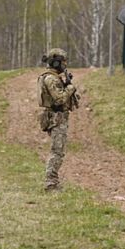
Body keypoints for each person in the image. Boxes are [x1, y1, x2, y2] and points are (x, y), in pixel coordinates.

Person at [37, 48, 79, 192]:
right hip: (56, 118)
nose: (64, 65)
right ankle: (50, 183)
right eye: (62, 62)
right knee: (57, 151)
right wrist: (70, 88)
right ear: (55, 63)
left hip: (57, 117)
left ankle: (52, 181)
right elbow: (60, 98)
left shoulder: (53, 77)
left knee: (58, 151)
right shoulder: (51, 79)